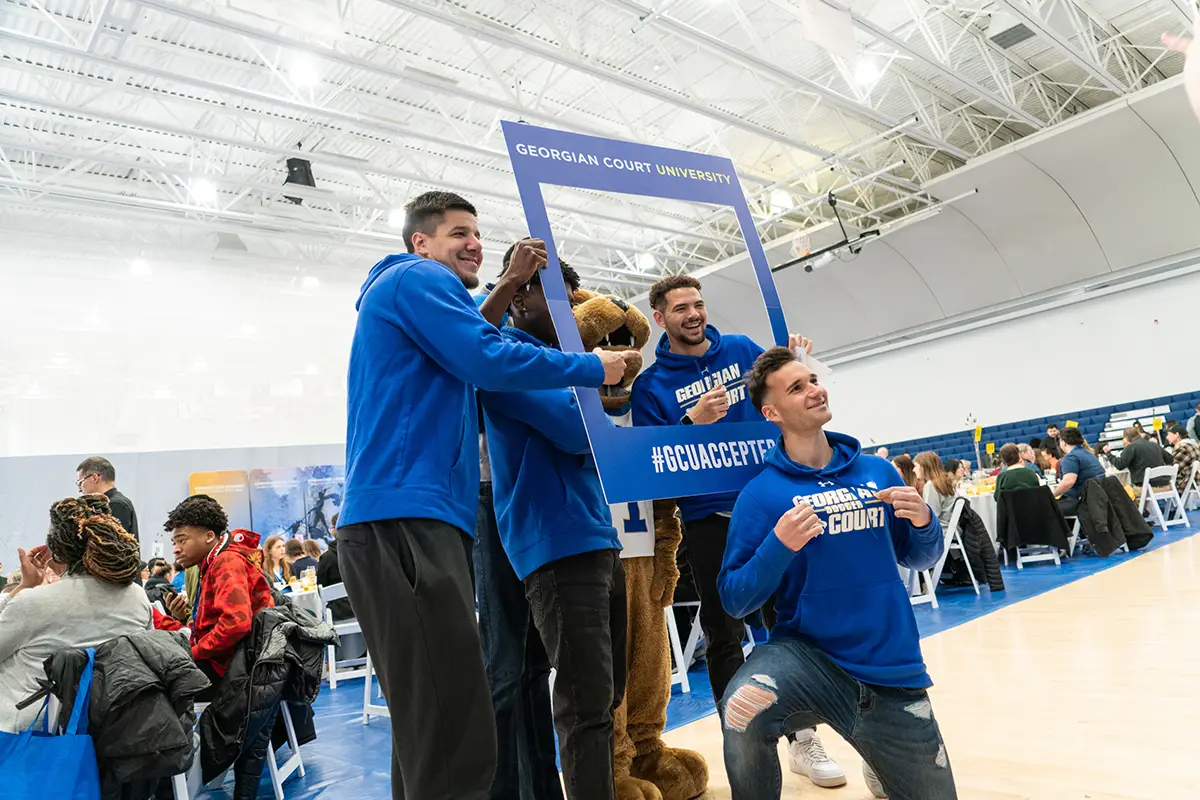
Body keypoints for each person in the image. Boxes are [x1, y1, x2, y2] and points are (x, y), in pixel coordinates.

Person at [338, 190, 632, 800]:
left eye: (477, 232)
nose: (472, 242)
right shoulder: (415, 279)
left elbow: (475, 341)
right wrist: (590, 368)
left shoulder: (422, 309)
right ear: (420, 242)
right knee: (457, 727)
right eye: (457, 232)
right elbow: (485, 353)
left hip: (418, 520)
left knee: (435, 727)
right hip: (407, 518)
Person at [630, 274, 842, 787]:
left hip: (769, 507)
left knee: (789, 626)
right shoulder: (650, 387)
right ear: (660, 318)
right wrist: (689, 424)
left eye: (698, 304)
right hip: (707, 520)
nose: (693, 314)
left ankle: (803, 736)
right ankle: (741, 740)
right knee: (724, 633)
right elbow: (648, 462)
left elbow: (786, 400)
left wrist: (798, 367)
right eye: (681, 308)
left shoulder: (745, 350)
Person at [719, 348, 954, 800]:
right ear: (772, 413)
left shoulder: (878, 470)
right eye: (797, 387)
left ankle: (880, 761)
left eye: (812, 380)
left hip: (890, 662)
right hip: (806, 658)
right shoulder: (760, 495)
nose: (814, 390)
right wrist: (777, 546)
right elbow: (734, 599)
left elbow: (921, 558)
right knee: (741, 709)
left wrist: (925, 521)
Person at [479, 258, 628, 800]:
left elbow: (601, 440)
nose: (572, 310)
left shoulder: (559, 365)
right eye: (556, 297)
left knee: (604, 697)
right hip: (556, 543)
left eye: (574, 296)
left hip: (595, 536)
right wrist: (595, 381)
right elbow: (576, 433)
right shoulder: (509, 364)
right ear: (519, 299)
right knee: (584, 706)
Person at [472, 243, 572, 800]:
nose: (551, 300)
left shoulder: (561, 354)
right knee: (507, 662)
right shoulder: (498, 341)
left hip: (534, 505)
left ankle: (542, 786)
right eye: (539, 288)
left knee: (532, 664)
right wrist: (510, 281)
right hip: (491, 501)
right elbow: (468, 339)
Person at [155, 495, 276, 799]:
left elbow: (236, 624)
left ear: (209, 536)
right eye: (174, 541)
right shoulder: (221, 559)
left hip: (234, 671)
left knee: (155, 687)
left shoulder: (226, 562)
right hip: (238, 664)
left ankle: (174, 784)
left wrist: (193, 653)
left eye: (182, 539)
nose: (176, 548)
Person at [0, 495, 149, 732]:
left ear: (55, 547)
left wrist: (23, 587)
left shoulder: (34, 603)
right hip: (114, 729)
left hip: (33, 733)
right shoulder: (137, 598)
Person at [76, 456, 139, 541]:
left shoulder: (116, 505)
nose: (80, 490)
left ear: (94, 478)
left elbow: (110, 545)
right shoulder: (112, 504)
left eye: (80, 483)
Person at [1052, 428, 1105, 516]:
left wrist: (1052, 495)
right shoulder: (1090, 454)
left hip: (1080, 500)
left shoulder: (1071, 458)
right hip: (1097, 498)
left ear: (1063, 442)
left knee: (1047, 509)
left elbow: (1068, 482)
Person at [1103, 427, 1168, 488]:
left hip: (1145, 486)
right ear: (1139, 434)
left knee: (1124, 492)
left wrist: (1108, 454)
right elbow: (1169, 459)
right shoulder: (1154, 444)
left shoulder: (1131, 447)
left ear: (1125, 439)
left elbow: (1119, 465)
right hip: (1165, 484)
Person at [1165, 425, 1200, 496]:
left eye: (1168, 434)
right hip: (1192, 481)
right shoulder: (1192, 445)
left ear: (1176, 435)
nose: (1167, 437)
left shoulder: (1183, 448)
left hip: (1183, 483)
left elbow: (1172, 469)